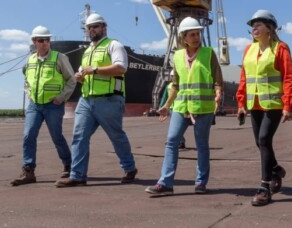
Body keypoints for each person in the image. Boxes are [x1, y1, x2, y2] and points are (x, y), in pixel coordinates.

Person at [55, 13, 138, 187]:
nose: (92, 30)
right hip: (86, 100)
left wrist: (94, 70)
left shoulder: (114, 45)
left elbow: (121, 68)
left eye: (95, 26)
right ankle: (77, 176)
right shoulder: (87, 51)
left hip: (109, 100)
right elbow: (85, 72)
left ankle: (129, 168)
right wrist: (79, 77)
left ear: (104, 27)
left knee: (116, 136)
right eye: (89, 27)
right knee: (79, 136)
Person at [145, 16, 223, 195]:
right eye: (192, 34)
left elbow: (217, 79)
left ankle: (201, 183)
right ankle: (165, 183)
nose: (196, 37)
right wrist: (166, 105)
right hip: (181, 107)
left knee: (202, 144)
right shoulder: (178, 56)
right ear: (183, 37)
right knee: (172, 141)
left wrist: (218, 94)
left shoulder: (209, 53)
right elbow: (175, 84)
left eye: (198, 33)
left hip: (203, 107)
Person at [236, 10, 292, 206]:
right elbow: (244, 78)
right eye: (252, 25)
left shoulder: (280, 48)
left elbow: (289, 77)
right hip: (254, 103)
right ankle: (276, 170)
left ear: (270, 28)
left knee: (264, 139)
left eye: (259, 25)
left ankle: (264, 187)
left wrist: (289, 105)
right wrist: (241, 103)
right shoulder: (249, 50)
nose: (254, 28)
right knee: (260, 142)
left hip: (274, 103)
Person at [11, 26, 76, 186]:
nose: (45, 43)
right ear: (34, 42)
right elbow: (27, 80)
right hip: (35, 105)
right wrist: (29, 93)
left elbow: (72, 79)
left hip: (53, 105)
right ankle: (28, 171)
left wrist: (61, 98)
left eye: (47, 40)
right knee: (28, 136)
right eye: (41, 40)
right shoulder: (30, 59)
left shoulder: (59, 58)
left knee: (57, 137)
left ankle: (69, 166)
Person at [159, 70, 186, 149]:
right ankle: (177, 141)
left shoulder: (182, 85)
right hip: (171, 108)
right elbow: (165, 97)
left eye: (173, 76)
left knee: (178, 126)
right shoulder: (169, 86)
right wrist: (161, 106)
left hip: (179, 108)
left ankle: (178, 141)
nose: (172, 77)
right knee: (174, 126)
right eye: (171, 76)